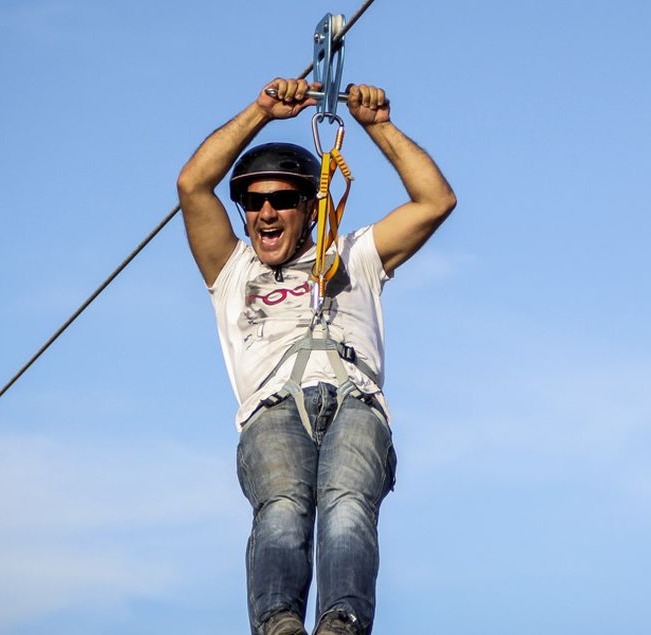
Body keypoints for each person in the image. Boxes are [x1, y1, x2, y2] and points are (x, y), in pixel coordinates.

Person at [176, 78, 456, 635]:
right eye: (253, 202)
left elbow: (435, 201)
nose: (266, 213)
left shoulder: (354, 254)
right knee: (282, 509)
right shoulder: (233, 270)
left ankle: (341, 625)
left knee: (348, 507)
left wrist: (378, 127)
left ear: (310, 204)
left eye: (281, 200)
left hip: (355, 400)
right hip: (273, 409)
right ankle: (279, 625)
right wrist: (261, 111)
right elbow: (193, 184)